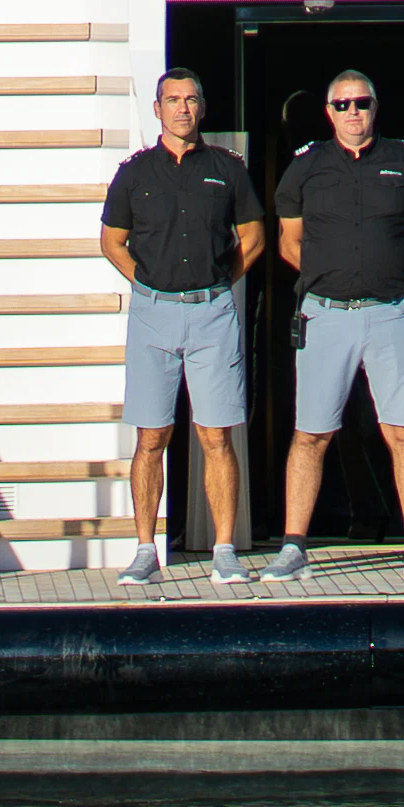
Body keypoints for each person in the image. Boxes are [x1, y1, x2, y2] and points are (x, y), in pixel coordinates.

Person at [262, 64, 404, 583]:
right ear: (328, 112)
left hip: (391, 314)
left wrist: (382, 273)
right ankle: (293, 546)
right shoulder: (306, 167)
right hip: (326, 316)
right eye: (342, 105)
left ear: (375, 107)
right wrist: (336, 275)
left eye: (361, 103)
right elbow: (289, 243)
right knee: (311, 433)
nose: (352, 113)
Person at [96, 68, 265, 587]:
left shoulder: (227, 169)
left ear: (202, 108)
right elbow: (111, 241)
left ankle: (223, 551)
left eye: (192, 100)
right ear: (157, 110)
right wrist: (149, 285)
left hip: (212, 311)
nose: (183, 110)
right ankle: (146, 550)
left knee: (217, 434)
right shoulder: (135, 173)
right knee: (152, 436)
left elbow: (253, 237)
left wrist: (217, 284)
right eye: (173, 101)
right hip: (153, 313)